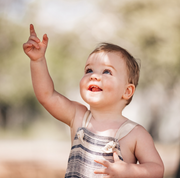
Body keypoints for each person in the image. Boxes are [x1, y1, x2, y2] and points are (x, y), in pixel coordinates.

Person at [23, 24, 164, 178]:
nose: (94, 76)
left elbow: (157, 169)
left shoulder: (135, 133)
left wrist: (129, 171)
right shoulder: (79, 116)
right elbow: (47, 95)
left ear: (127, 91)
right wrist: (38, 61)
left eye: (107, 71)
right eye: (89, 70)